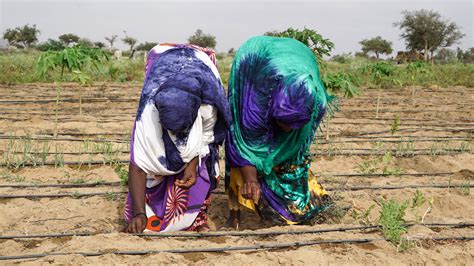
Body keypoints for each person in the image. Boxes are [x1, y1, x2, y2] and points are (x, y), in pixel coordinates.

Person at [225, 36, 335, 229]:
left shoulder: (317, 103)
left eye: (293, 126)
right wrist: (251, 179)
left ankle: (290, 199)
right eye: (282, 123)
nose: (287, 130)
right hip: (253, 60)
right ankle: (235, 213)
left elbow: (298, 143)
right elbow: (243, 145)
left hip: (298, 57)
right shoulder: (254, 105)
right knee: (240, 141)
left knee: (292, 155)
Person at [123, 43, 230, 233]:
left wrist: (193, 160)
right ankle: (151, 209)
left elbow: (208, 137)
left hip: (199, 62)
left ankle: (196, 218)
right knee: (156, 150)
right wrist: (139, 214)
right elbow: (137, 164)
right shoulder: (149, 112)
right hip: (161, 59)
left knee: (204, 164)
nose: (176, 136)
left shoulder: (208, 106)